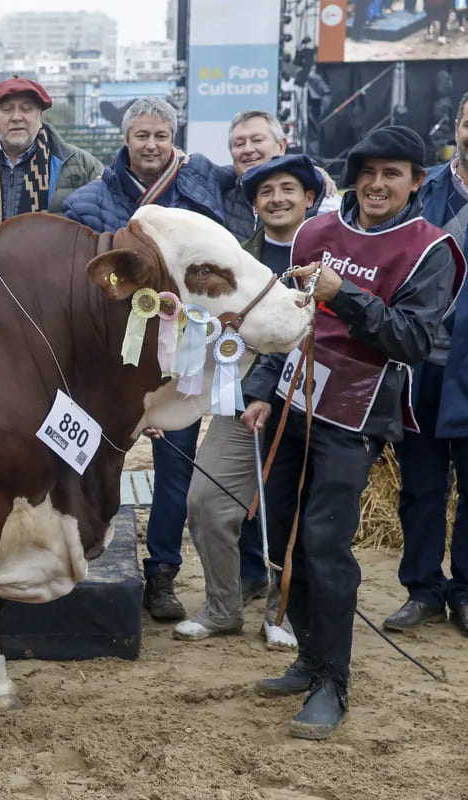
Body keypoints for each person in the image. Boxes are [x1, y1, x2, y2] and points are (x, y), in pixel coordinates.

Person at [241, 126, 464, 740]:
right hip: (291, 399)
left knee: (324, 542)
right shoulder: (314, 232)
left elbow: (413, 341)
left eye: (393, 173)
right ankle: (309, 655)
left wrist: (349, 295)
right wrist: (261, 387)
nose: (376, 184)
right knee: (283, 538)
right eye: (367, 171)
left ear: (418, 181)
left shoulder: (430, 249)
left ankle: (331, 684)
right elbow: (290, 316)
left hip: (355, 415)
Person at [61, 96, 226, 622]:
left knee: (175, 470)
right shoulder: (87, 201)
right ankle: (74, 560)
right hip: (103, 363)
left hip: (176, 362)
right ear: (126, 140)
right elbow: (77, 283)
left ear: (172, 139)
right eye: (141, 136)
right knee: (80, 457)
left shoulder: (200, 198)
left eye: (160, 136)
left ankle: (162, 575)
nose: (151, 145)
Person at [175, 154, 327, 649]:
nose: (277, 198)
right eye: (266, 192)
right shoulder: (236, 260)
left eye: (288, 189)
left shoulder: (331, 257)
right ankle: (222, 607)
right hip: (239, 402)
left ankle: (283, 612)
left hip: (314, 405)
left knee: (296, 510)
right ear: (255, 205)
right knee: (205, 501)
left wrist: (266, 385)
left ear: (310, 197)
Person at [385, 85, 468, 639]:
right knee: (420, 487)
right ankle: (421, 590)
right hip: (418, 364)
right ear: (455, 128)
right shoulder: (420, 190)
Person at [0, 76, 102, 255]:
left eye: (26, 109)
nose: (16, 118)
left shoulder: (77, 164)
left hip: (53, 279)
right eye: (6, 110)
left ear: (40, 115)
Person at [220, 110, 341, 242]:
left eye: (257, 140)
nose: (248, 149)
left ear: (281, 146)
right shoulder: (219, 203)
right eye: (239, 144)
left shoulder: (324, 199)